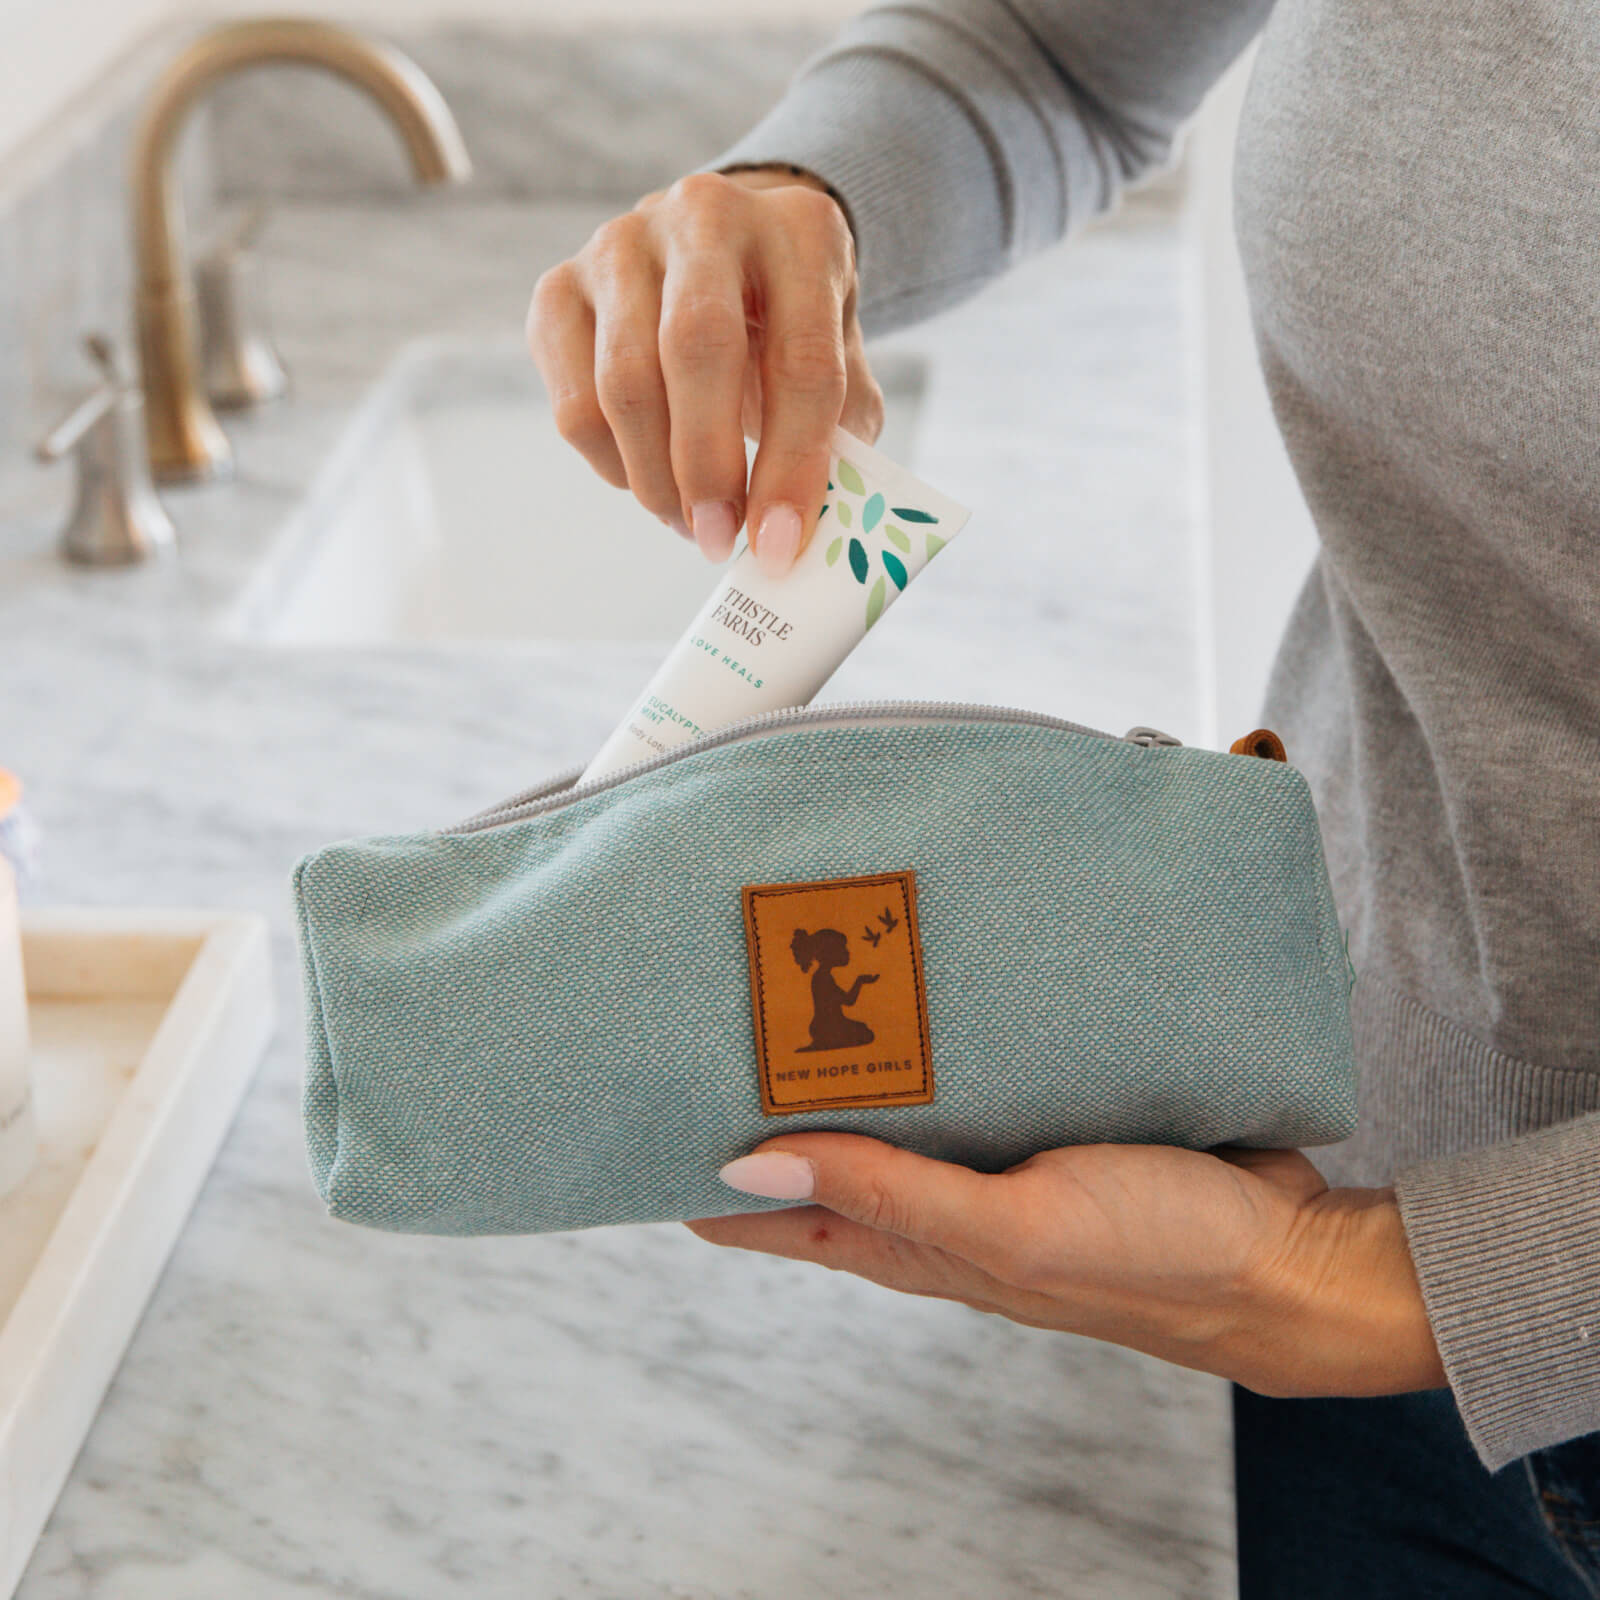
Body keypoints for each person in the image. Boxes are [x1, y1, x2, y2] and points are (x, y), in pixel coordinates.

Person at [523, 3, 1600, 1592]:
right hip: (1352, 1148)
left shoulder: (1341, 1277)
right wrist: (804, 200)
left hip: (1378, 1280)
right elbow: (1053, 52)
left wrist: (1412, 1288)